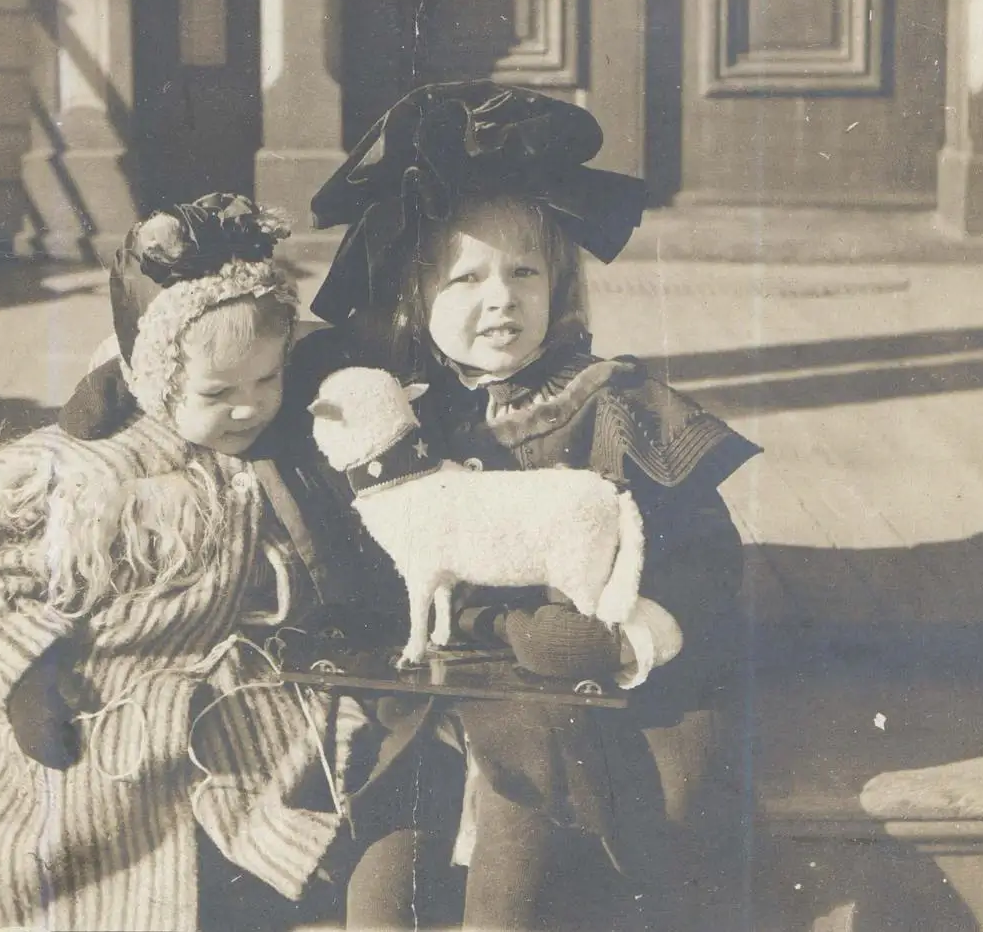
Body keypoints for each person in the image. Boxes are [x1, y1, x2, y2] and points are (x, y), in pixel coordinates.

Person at [280, 81, 762, 931]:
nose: (499, 297)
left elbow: (700, 553)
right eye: (465, 277)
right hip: (436, 690)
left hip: (568, 693)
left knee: (526, 777)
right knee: (392, 833)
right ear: (414, 301)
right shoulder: (406, 421)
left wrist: (634, 629)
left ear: (559, 287)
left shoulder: (610, 404)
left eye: (524, 272)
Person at [0, 193, 368, 932]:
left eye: (266, 382)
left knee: (279, 742)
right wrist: (32, 674)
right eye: (219, 393)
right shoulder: (97, 474)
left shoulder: (272, 461)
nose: (249, 409)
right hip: (93, 675)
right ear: (157, 381)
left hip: (212, 677)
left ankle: (271, 863)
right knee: (92, 791)